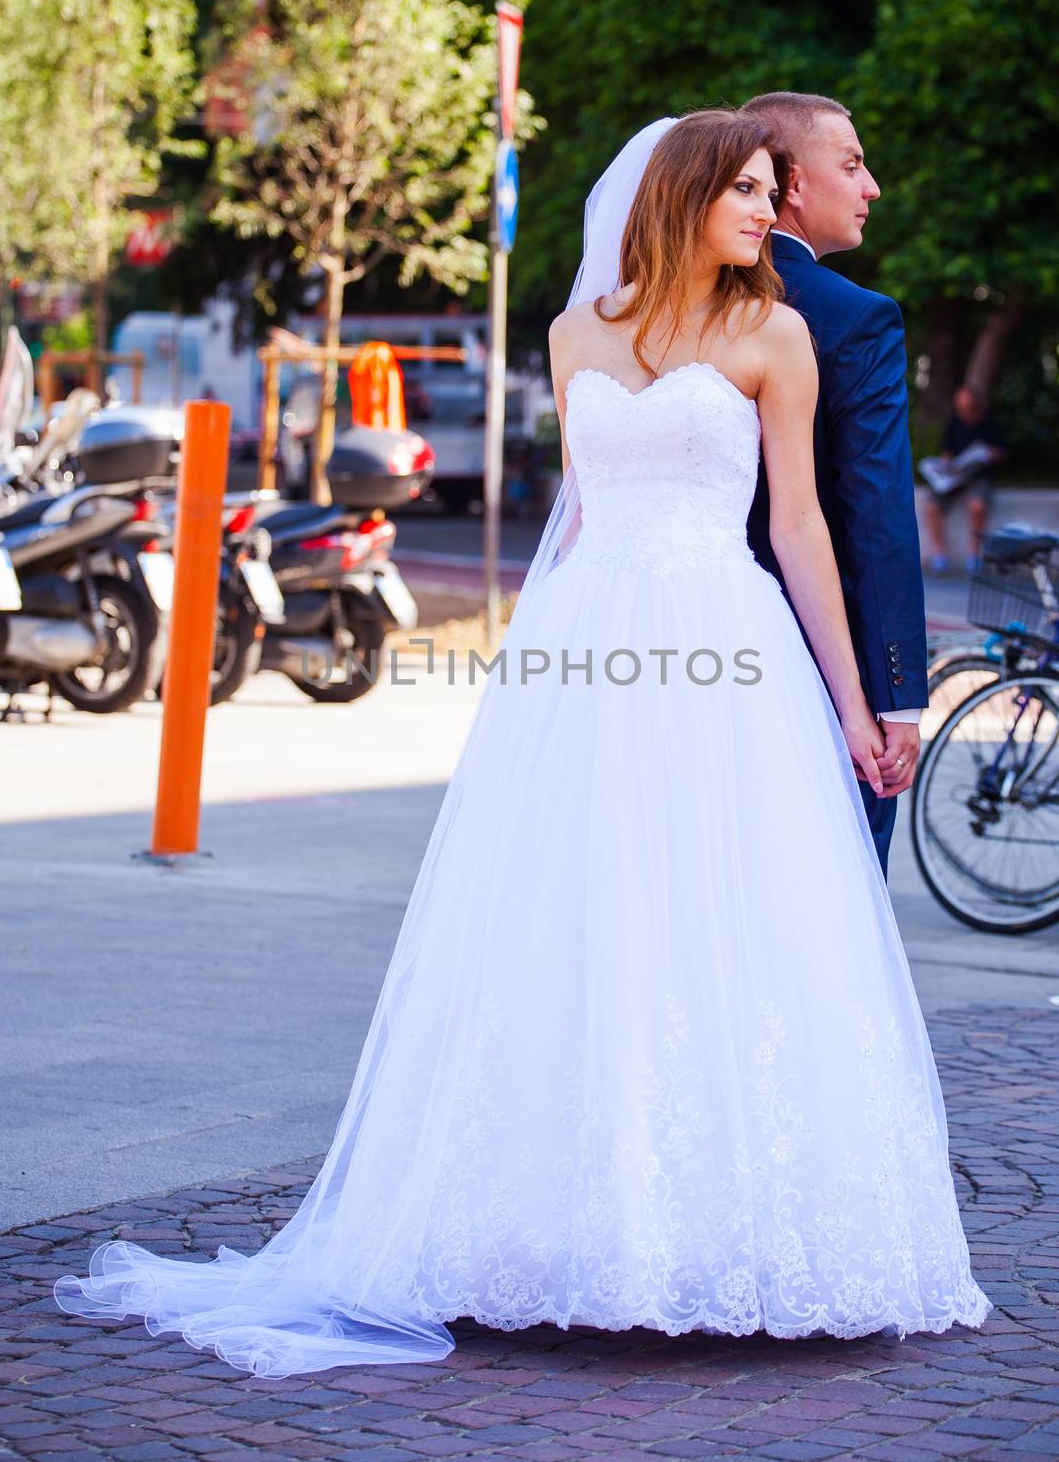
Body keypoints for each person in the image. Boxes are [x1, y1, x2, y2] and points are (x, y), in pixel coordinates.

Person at [52, 109, 991, 1377]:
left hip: (728, 642)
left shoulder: (775, 333)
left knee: (731, 921)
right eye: (752, 192)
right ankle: (559, 1226)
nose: (771, 213)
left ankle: (717, 1228)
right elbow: (585, 518)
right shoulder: (573, 333)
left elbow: (808, 531)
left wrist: (848, 699)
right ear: (686, 192)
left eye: (777, 192)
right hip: (592, 653)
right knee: (578, 919)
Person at [740, 92, 927, 880]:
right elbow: (874, 511)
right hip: (821, 667)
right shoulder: (853, 318)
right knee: (829, 907)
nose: (872, 186)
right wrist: (895, 698)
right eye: (851, 164)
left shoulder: (652, 310)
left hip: (672, 653)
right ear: (791, 184)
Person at [923, 384, 1008, 575]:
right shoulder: (954, 423)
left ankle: (974, 556)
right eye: (960, 407)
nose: (964, 411)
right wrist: (946, 463)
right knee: (931, 507)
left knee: (977, 506)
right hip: (955, 477)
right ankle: (940, 555)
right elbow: (947, 452)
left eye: (967, 407)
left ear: (976, 405)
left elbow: (1002, 452)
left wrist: (988, 454)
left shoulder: (991, 423)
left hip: (980, 475)